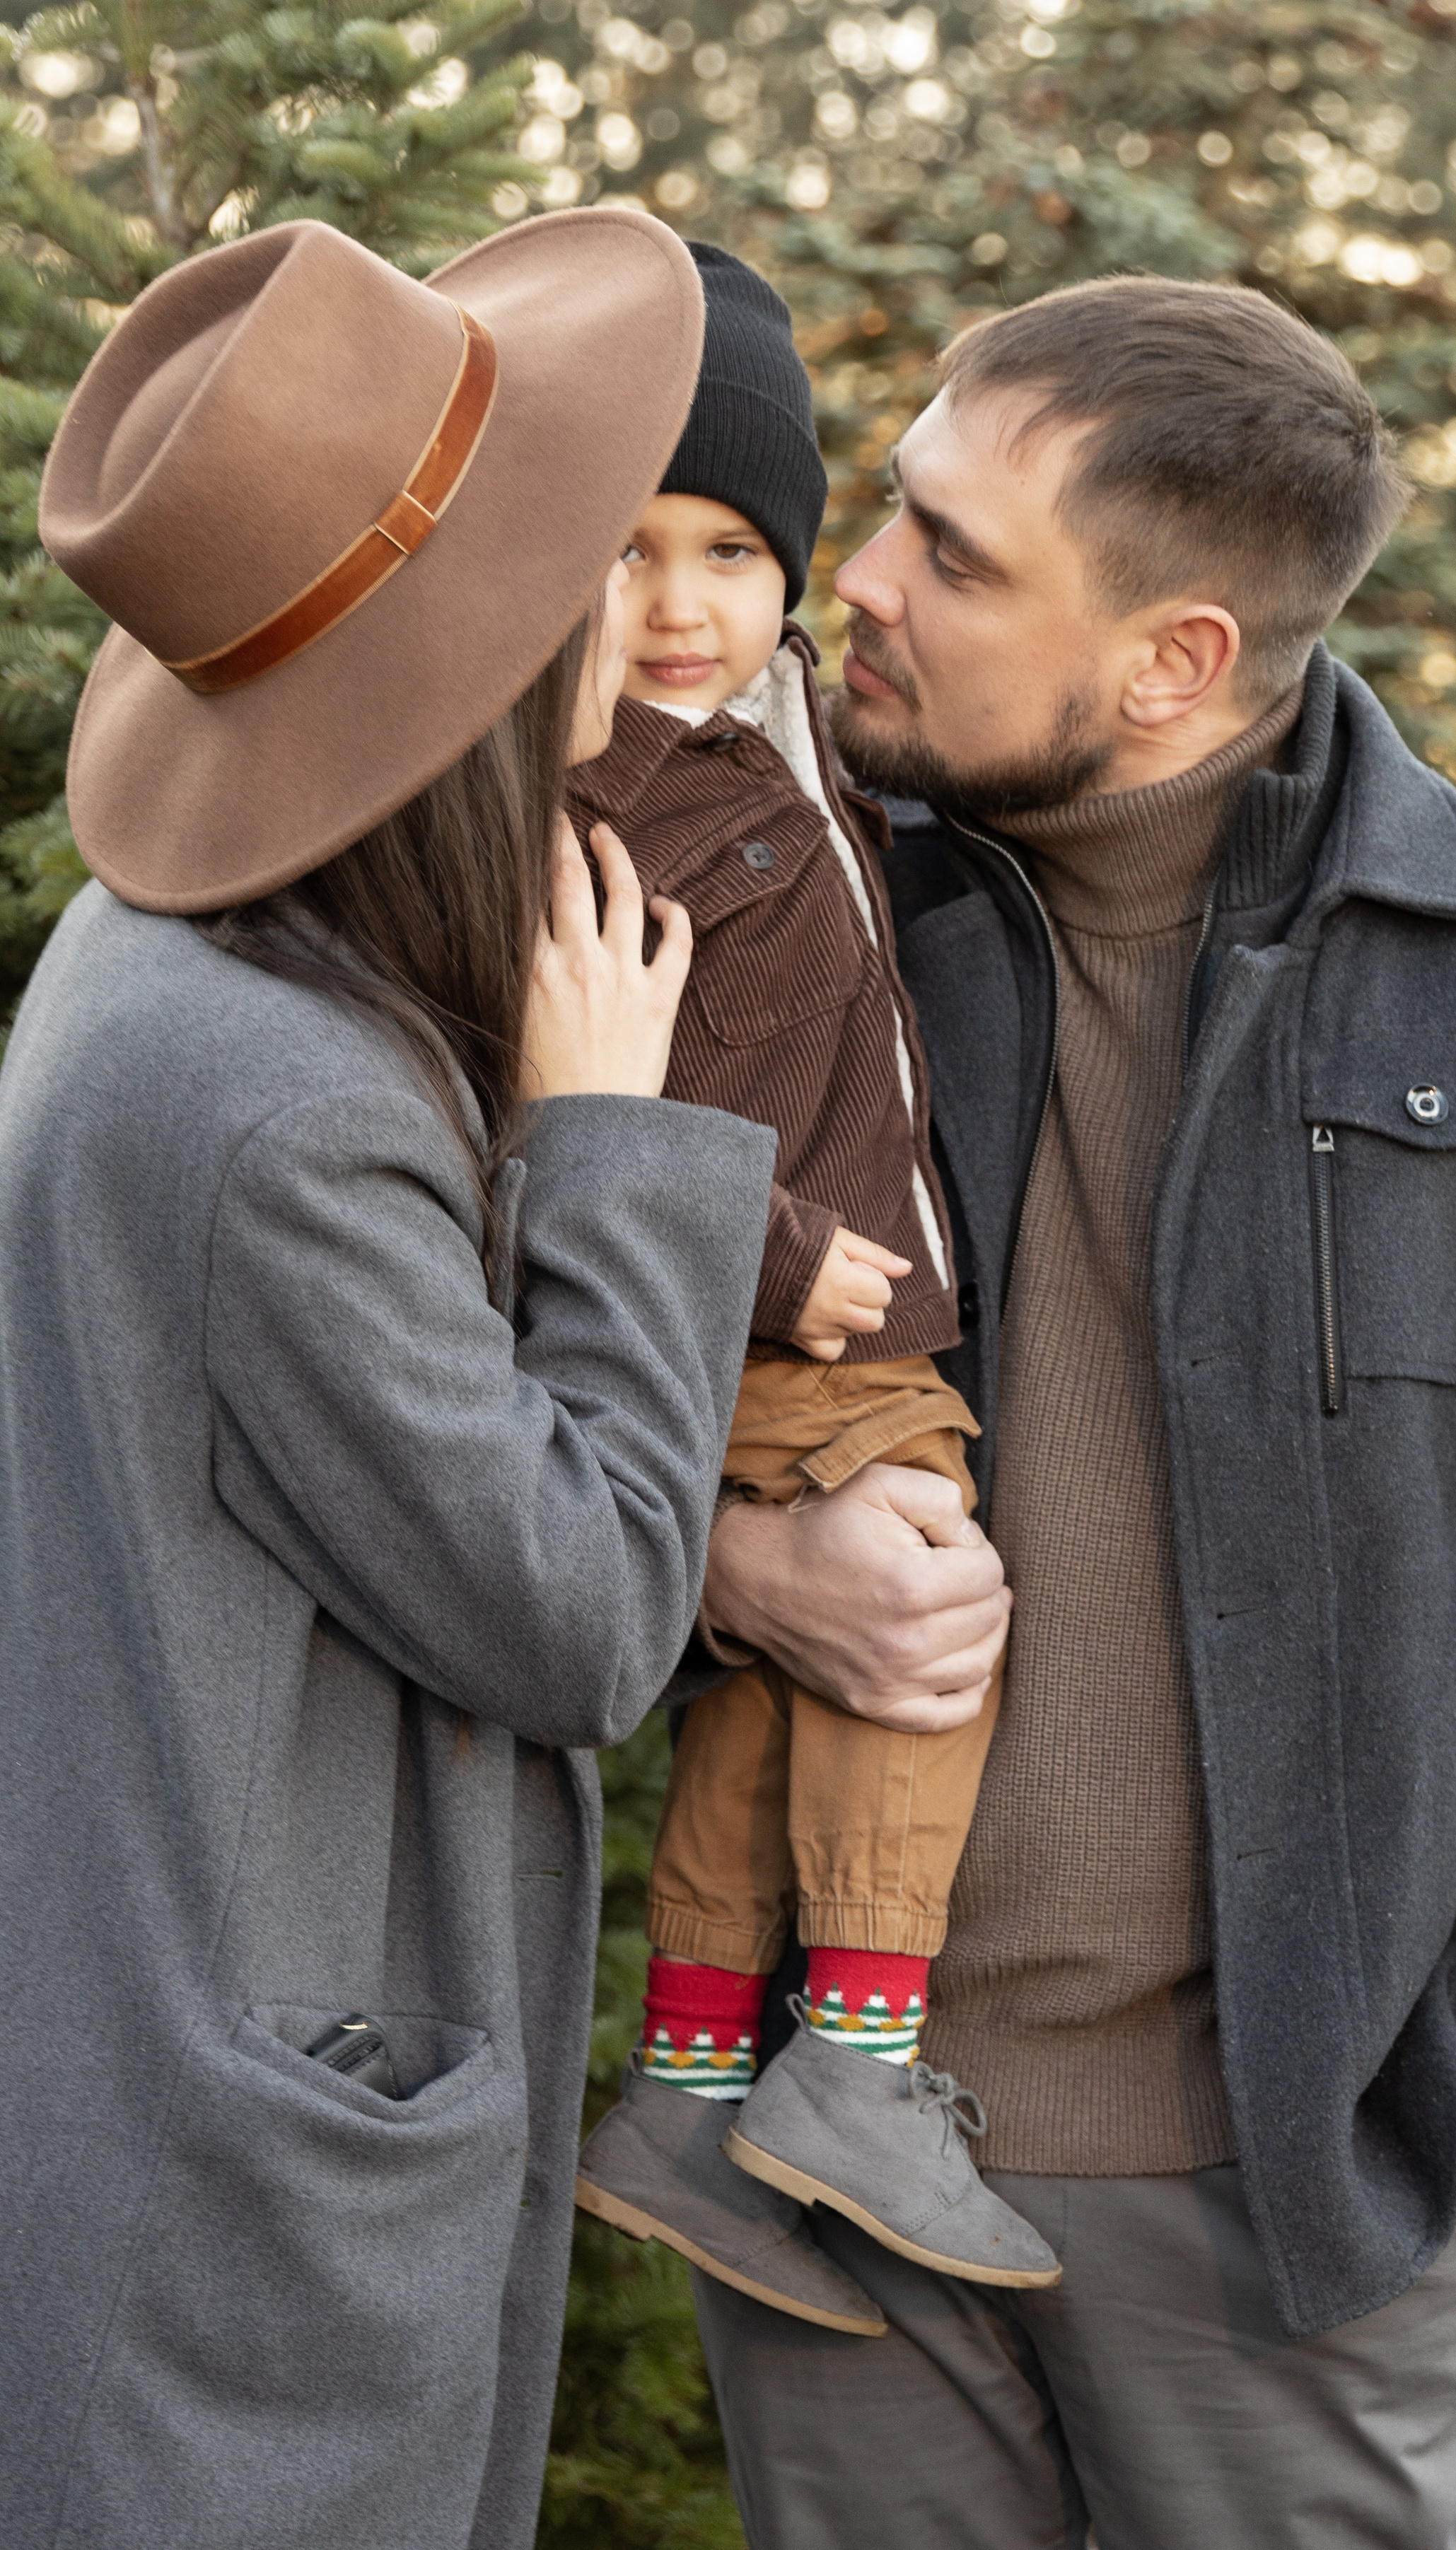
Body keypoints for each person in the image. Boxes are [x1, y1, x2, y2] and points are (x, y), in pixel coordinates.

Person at [686, 276, 1456, 2546]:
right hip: (824, 2148)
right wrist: (730, 1568)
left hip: (1296, 2210)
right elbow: (547, 1393)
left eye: (957, 557)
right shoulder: (796, 911)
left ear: (1179, 659)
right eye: (893, 510)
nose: (857, 587)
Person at [0, 211, 776, 2550]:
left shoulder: (160, 969)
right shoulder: (285, 1107)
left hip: (157, 2093)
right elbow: (578, 1615)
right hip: (235, 2216)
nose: (635, 639)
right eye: (582, 564)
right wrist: (621, 1150)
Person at [565, 243, 1057, 2334]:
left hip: (815, 1312)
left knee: (768, 1707)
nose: (682, 601)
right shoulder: (589, 800)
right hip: (800, 1326)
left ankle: (689, 2086)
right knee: (920, 1620)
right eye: (624, 548)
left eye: (735, 549)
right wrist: (768, 1247)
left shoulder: (789, 744)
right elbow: (562, 1099)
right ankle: (854, 2050)